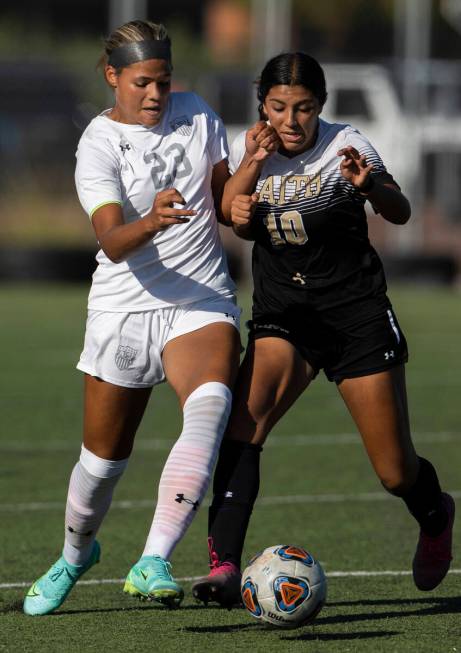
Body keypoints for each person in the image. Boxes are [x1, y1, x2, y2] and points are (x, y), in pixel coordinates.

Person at [192, 52, 455, 608]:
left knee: (394, 470)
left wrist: (371, 187)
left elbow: (401, 211)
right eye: (279, 107)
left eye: (304, 108)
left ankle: (436, 513)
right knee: (243, 425)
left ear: (321, 107)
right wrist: (247, 177)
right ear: (263, 104)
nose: (291, 120)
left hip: (354, 316)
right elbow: (230, 211)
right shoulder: (253, 149)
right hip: (285, 316)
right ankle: (223, 566)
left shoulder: (345, 146)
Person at [23, 19, 241, 616]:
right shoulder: (96, 143)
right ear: (112, 76)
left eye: (164, 83)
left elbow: (224, 202)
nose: (155, 95)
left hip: (200, 299)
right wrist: (154, 217)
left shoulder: (198, 115)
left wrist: (247, 188)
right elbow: (113, 241)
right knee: (101, 464)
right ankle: (75, 556)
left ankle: (154, 558)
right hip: (123, 306)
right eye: (143, 82)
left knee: (211, 404)